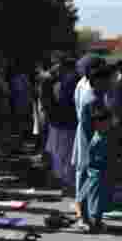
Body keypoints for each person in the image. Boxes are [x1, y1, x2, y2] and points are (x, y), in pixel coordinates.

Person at [72, 56, 116, 228]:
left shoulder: (90, 91)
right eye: (107, 81)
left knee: (88, 179)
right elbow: (103, 126)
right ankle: (88, 218)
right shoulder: (93, 99)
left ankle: (89, 217)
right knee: (91, 180)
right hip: (91, 143)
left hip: (88, 140)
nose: (110, 84)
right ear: (98, 80)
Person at [78, 100, 114, 232]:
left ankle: (95, 221)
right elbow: (98, 159)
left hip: (100, 174)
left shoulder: (102, 136)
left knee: (98, 201)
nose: (109, 125)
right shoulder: (99, 138)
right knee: (96, 202)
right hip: (97, 175)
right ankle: (95, 222)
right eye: (106, 123)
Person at [45, 55, 79, 190]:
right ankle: (66, 180)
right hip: (67, 123)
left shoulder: (68, 81)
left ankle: (65, 180)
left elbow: (63, 103)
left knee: (62, 153)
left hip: (63, 123)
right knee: (66, 153)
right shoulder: (71, 79)